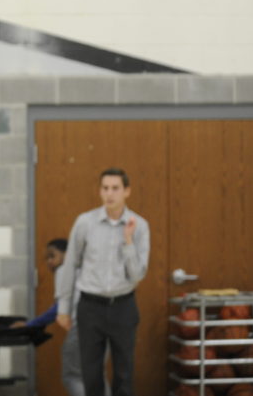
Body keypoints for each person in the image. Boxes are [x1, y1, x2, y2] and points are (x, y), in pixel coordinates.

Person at [56, 167, 150, 396]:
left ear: (127, 191)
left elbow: (137, 275)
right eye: (105, 188)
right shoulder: (85, 223)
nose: (109, 194)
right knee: (91, 373)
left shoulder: (139, 225)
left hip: (123, 306)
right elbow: (70, 264)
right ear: (99, 191)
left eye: (115, 188)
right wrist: (63, 307)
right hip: (90, 306)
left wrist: (128, 242)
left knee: (124, 373)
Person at [11, 238, 90, 396]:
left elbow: (58, 310)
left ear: (67, 254)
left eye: (52, 256)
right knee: (94, 377)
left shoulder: (64, 270)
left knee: (72, 376)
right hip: (101, 328)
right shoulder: (84, 270)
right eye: (46, 258)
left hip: (82, 328)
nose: (49, 262)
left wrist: (30, 324)